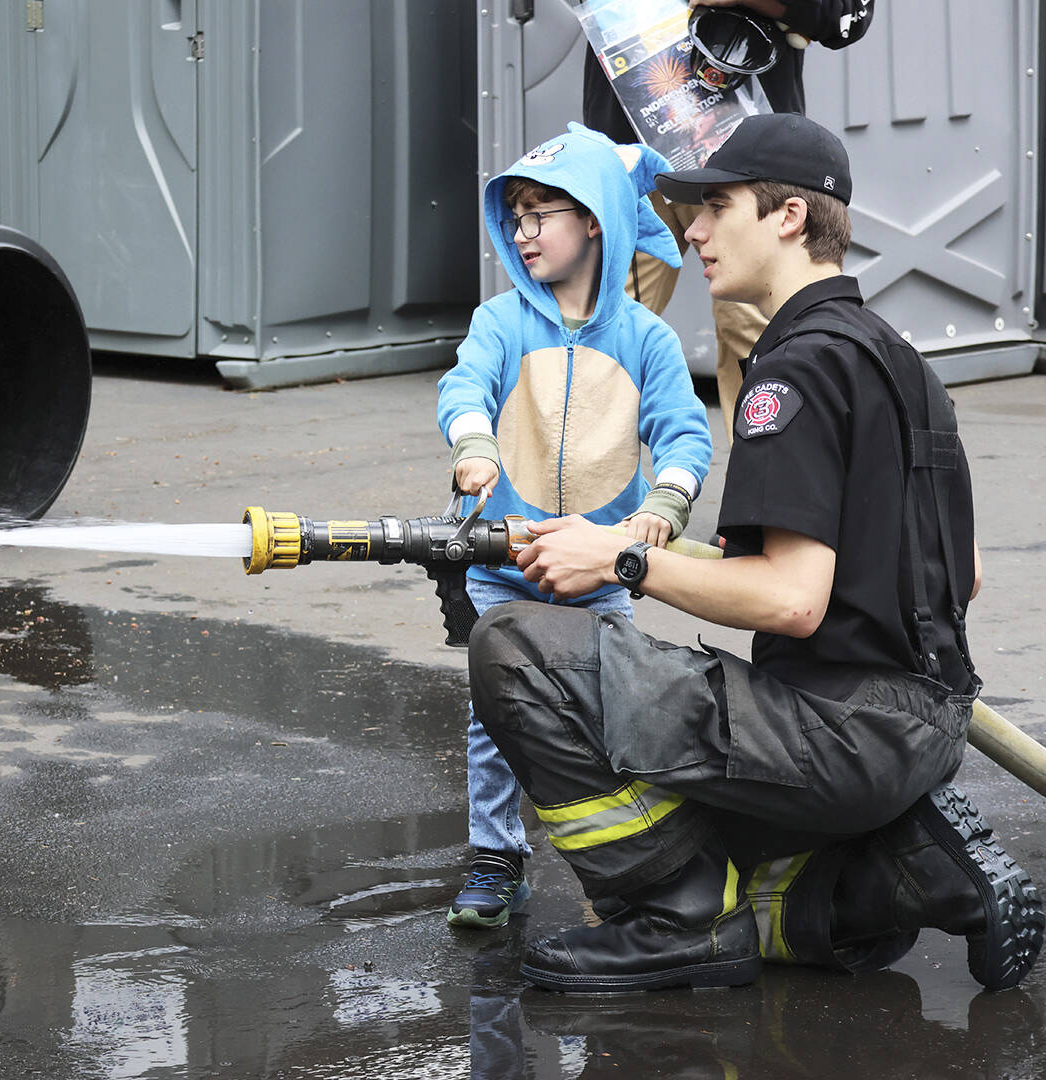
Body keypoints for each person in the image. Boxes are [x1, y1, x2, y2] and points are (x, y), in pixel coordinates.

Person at [467, 113, 1044, 992]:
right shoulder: (906, 363)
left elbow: (792, 601)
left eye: (715, 205)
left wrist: (618, 560)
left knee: (514, 645)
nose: (690, 230)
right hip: (928, 730)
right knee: (749, 873)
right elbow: (960, 576)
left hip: (837, 736)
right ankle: (904, 872)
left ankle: (673, 918)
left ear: (787, 219)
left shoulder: (793, 369)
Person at [437, 123, 713, 930]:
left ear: (593, 217)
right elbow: (463, 387)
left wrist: (664, 504)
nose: (522, 234)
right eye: (513, 217)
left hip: (598, 570)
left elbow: (686, 435)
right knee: (496, 718)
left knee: (616, 711)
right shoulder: (500, 323)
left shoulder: (646, 339)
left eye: (540, 215)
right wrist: (474, 445)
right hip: (502, 563)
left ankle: (630, 864)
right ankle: (496, 857)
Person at [583, 0, 874, 443]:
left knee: (759, 332)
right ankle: (585, 498)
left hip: (750, 153)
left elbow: (844, 17)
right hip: (636, 142)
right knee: (604, 331)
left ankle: (764, 496)